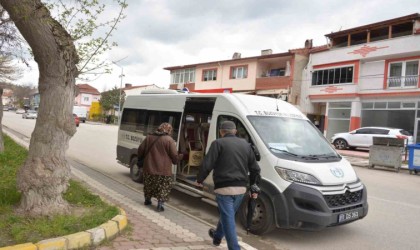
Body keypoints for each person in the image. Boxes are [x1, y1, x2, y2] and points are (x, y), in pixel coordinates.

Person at [196, 120, 261, 250]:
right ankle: (217, 237)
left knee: (228, 218)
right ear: (235, 132)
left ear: (221, 132)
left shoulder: (218, 143)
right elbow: (255, 169)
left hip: (224, 188)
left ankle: (234, 248)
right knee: (228, 215)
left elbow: (207, 164)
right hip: (241, 189)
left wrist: (199, 179)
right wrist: (254, 185)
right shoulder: (246, 145)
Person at [137, 122, 181, 212]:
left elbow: (140, 150)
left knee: (149, 185)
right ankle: (160, 204)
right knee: (162, 187)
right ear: (169, 130)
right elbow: (174, 156)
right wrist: (179, 158)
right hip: (163, 171)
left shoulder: (149, 137)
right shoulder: (169, 140)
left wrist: (142, 158)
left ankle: (147, 200)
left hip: (148, 168)